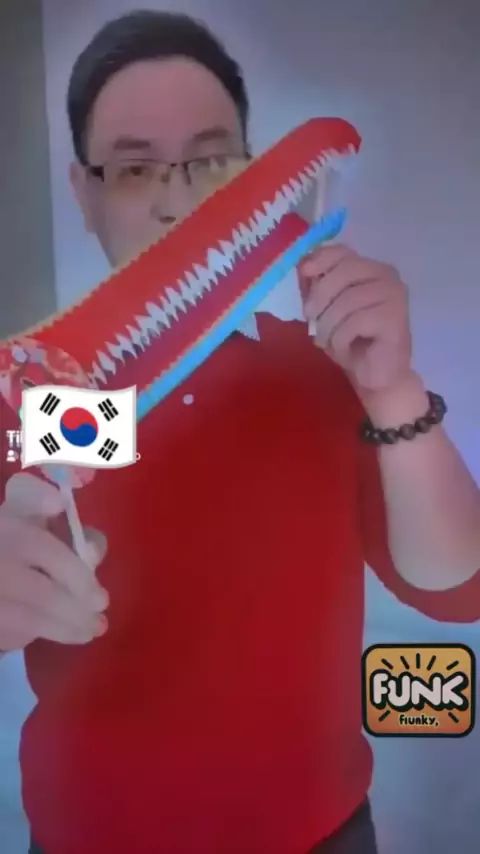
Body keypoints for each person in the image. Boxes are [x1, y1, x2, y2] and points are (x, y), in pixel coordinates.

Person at [1, 10, 480, 854]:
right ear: (83, 193)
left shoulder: (322, 372)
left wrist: (394, 389)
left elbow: (457, 589)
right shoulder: (45, 397)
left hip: (320, 832)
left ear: (251, 179)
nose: (177, 200)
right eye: (133, 168)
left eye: (211, 161)